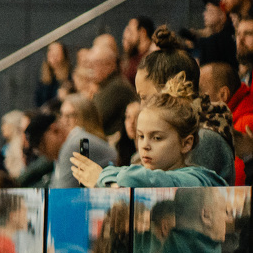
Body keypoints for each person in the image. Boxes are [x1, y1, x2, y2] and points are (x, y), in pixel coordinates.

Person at [72, 74, 232, 188]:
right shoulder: (141, 178)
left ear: (186, 143)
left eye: (157, 138)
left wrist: (101, 177)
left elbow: (143, 178)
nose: (145, 146)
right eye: (141, 136)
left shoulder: (199, 179)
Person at [135, 26, 237, 184]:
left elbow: (182, 190)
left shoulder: (204, 138)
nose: (142, 106)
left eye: (145, 97)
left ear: (171, 88)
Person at [52, 94, 117, 186]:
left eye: (69, 116)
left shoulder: (78, 142)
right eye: (62, 115)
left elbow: (62, 189)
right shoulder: (75, 141)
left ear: (86, 116)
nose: (64, 121)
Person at [88, 43, 137, 142]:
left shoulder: (117, 87)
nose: (91, 68)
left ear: (110, 64)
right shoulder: (105, 86)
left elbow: (92, 120)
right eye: (90, 64)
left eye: (96, 63)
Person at [18, 109, 64, 187]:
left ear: (54, 129)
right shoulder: (26, 152)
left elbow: (35, 170)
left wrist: (14, 183)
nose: (42, 151)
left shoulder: (66, 149)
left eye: (43, 144)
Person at [37, 41, 73, 106]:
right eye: (50, 51)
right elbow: (38, 102)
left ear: (63, 55)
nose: (53, 55)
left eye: (57, 52)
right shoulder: (44, 79)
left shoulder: (70, 77)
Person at [123, 16, 155, 84]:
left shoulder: (153, 56)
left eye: (131, 32)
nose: (128, 36)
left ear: (143, 32)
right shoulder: (133, 57)